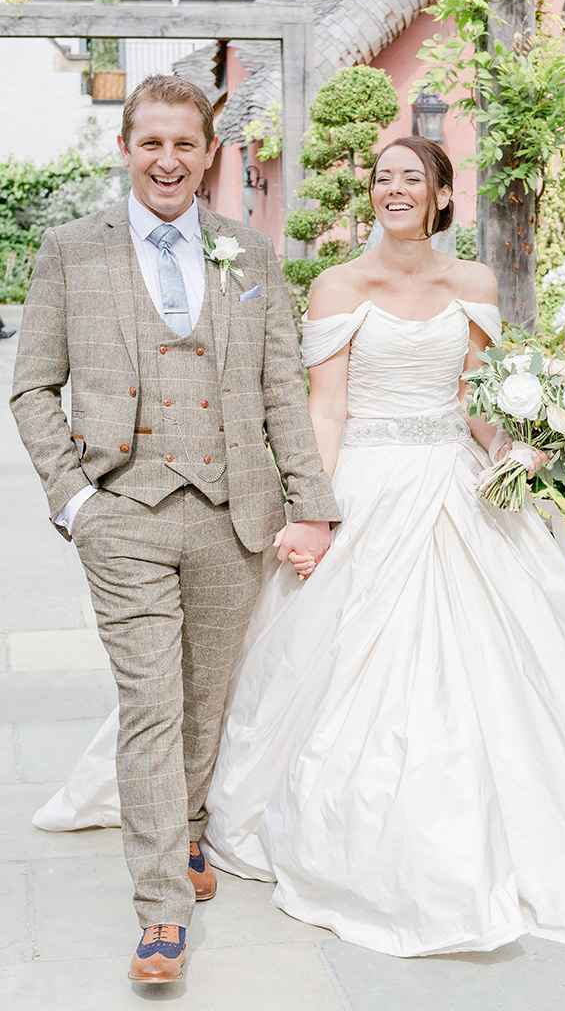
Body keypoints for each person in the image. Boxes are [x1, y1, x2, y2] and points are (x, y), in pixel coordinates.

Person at [34, 136, 565, 959]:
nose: (394, 190)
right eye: (382, 179)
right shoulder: (338, 285)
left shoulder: (475, 284)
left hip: (453, 481)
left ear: (443, 196)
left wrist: (518, 447)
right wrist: (314, 511)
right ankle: (192, 808)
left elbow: (476, 400)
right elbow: (322, 412)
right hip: (368, 480)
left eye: (413, 179)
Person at [11, 75, 339, 984]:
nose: (167, 160)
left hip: (236, 513)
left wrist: (311, 503)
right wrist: (76, 501)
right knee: (150, 704)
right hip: (124, 514)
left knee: (205, 699)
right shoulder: (71, 250)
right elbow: (32, 385)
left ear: (209, 154)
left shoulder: (251, 253)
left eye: (184, 145)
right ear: (126, 148)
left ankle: (189, 831)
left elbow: (283, 389)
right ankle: (160, 910)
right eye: (150, 143)